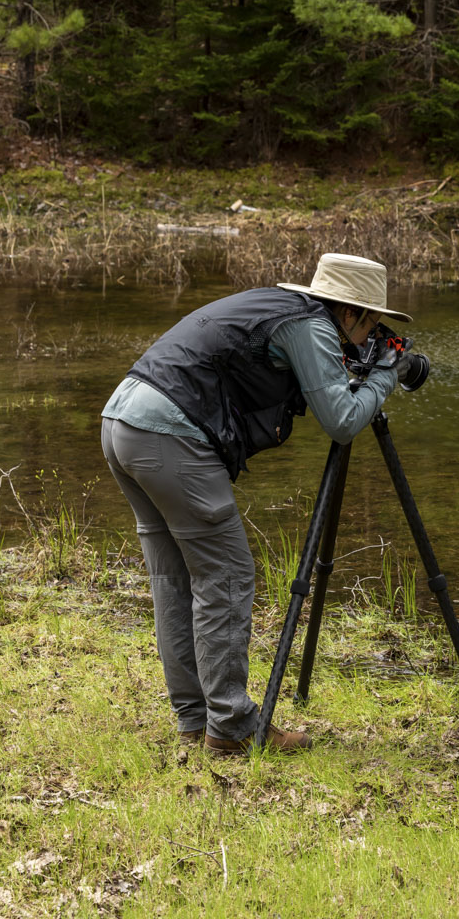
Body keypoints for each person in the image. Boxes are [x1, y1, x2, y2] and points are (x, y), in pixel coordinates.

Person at [99, 253, 423, 755]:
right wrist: (384, 375)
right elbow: (340, 420)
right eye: (374, 322)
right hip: (169, 435)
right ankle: (230, 728)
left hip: (123, 419)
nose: (374, 334)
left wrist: (360, 366)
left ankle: (194, 720)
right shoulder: (311, 325)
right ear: (352, 312)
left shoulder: (279, 308)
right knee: (225, 576)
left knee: (175, 579)